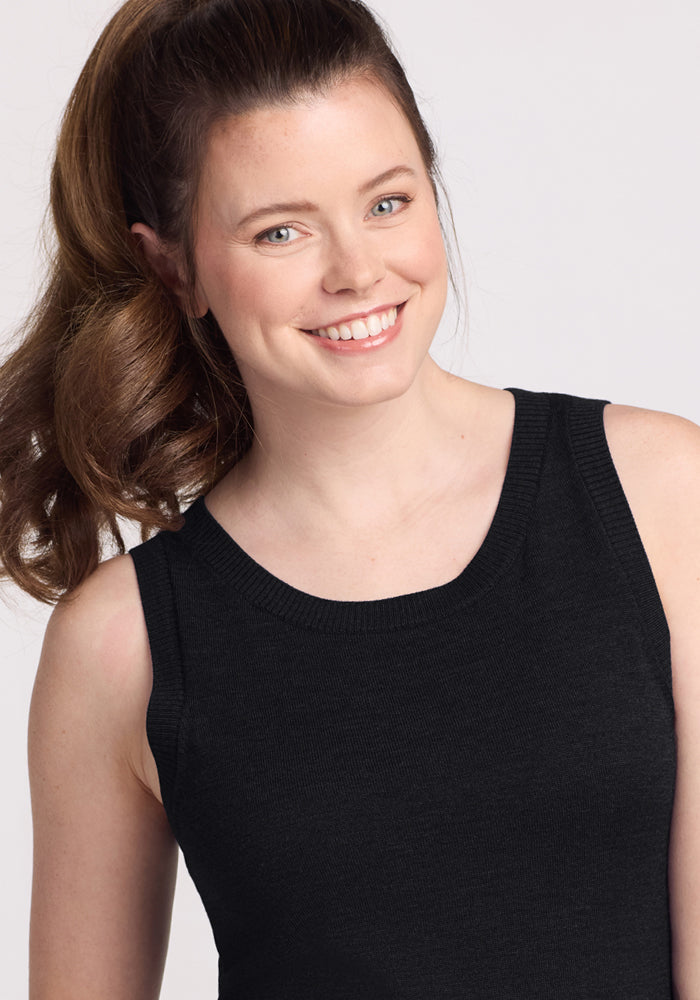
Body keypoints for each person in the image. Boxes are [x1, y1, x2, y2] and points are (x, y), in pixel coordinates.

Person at [0, 0, 698, 996]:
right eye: (281, 229)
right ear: (172, 263)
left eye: (387, 201)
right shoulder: (123, 647)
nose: (358, 271)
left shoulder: (660, 496)